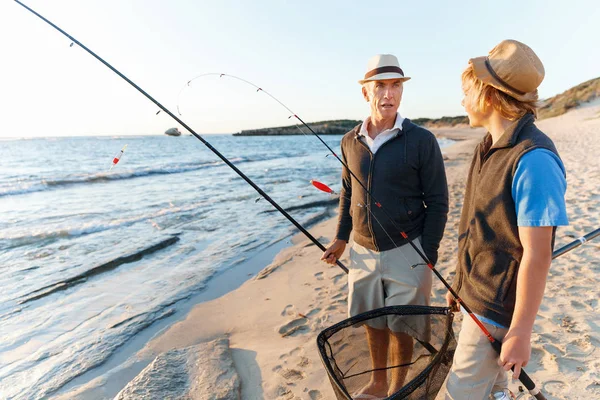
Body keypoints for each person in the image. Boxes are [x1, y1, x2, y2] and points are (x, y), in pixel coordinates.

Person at [438, 40, 569, 400]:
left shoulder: (534, 160)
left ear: (489, 96)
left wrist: (521, 331)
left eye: (467, 91)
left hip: (494, 314)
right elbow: (479, 230)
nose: (462, 101)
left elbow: (537, 255)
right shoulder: (488, 145)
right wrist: (459, 283)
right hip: (474, 298)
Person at [321, 54, 449, 398]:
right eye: (380, 86)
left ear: (402, 92)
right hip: (362, 251)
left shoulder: (422, 140)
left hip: (409, 250)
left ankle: (396, 388)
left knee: (402, 326)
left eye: (395, 86)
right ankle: (378, 383)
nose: (388, 94)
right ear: (366, 93)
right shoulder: (350, 141)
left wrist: (428, 253)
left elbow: (438, 202)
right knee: (372, 322)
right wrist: (340, 239)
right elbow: (348, 194)